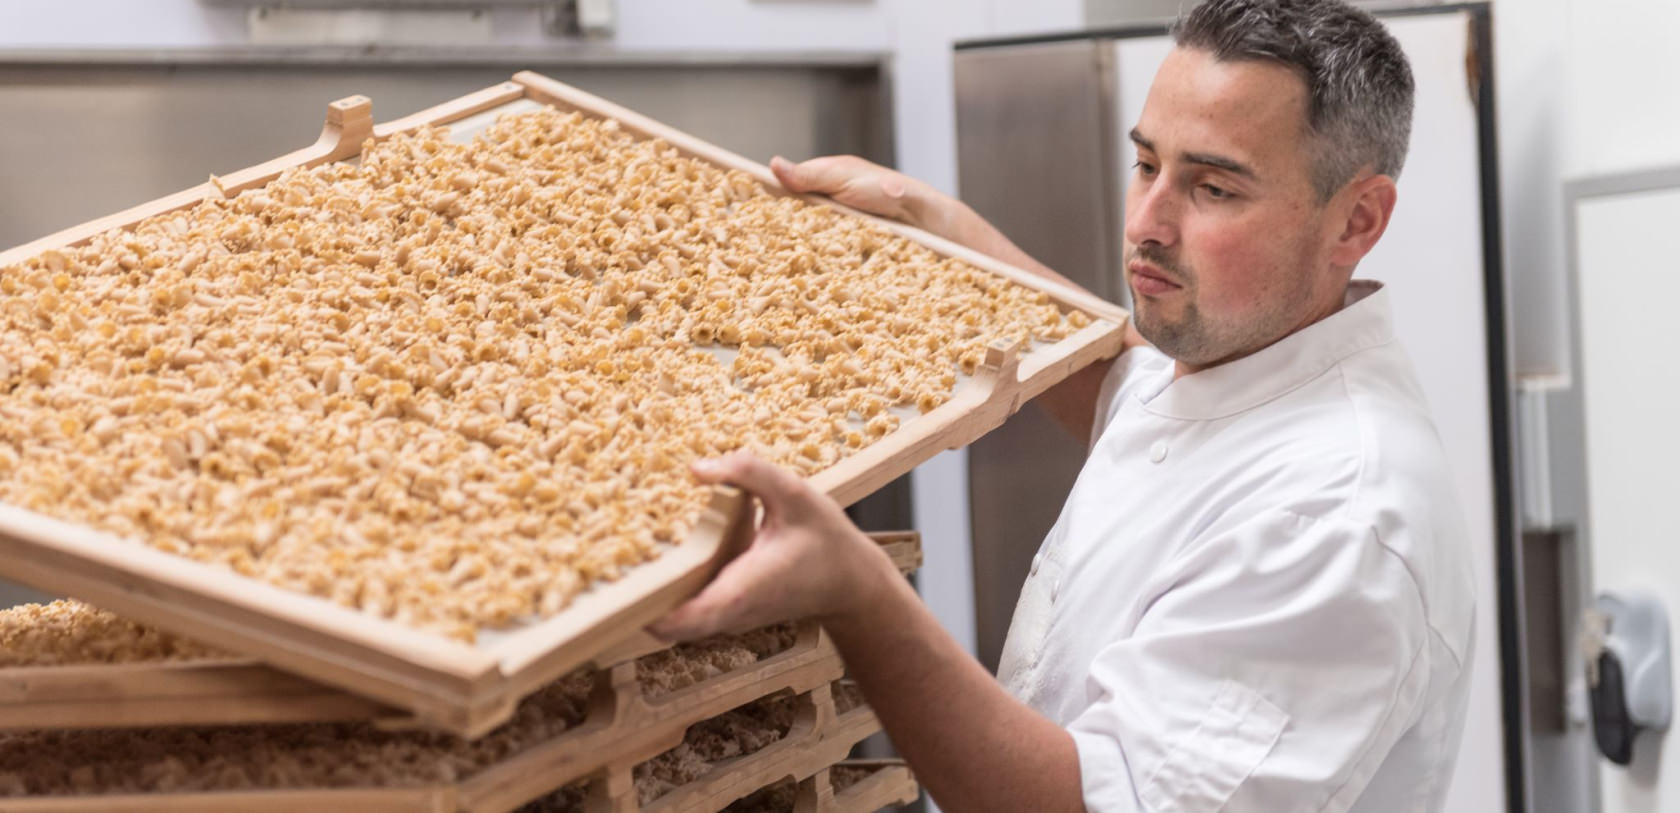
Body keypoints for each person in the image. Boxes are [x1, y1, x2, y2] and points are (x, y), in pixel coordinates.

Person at [650, 0, 1476, 809]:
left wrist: (858, 591)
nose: (1149, 224)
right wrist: (930, 221)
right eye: (1148, 164)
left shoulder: (1337, 517)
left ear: (1355, 220)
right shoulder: (1238, 368)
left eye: (1214, 189)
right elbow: (1124, 385)